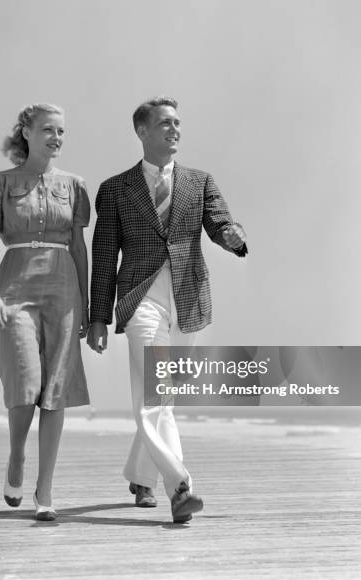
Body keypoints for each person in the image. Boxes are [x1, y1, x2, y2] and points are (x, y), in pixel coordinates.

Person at [87, 96, 247, 523]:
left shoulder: (200, 181)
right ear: (142, 131)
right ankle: (180, 487)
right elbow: (104, 257)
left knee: (163, 395)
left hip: (189, 300)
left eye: (177, 123)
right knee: (156, 394)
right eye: (164, 124)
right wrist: (98, 316)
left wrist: (233, 236)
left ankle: (141, 476)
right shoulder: (115, 189)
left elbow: (220, 222)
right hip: (140, 300)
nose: (174, 130)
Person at [0, 103, 90, 521]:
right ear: (26, 131)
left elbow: (78, 246)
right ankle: (16, 457)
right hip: (14, 286)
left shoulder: (76, 186)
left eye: (61, 131)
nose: (56, 138)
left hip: (63, 288)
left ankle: (45, 491)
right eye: (47, 129)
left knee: (55, 390)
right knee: (25, 382)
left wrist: (88, 305)